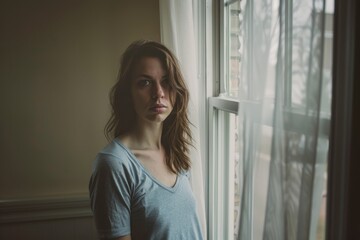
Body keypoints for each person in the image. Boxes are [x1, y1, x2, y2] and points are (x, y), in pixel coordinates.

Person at [89, 40, 203, 240]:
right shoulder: (114, 164)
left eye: (166, 81)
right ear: (128, 93)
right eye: (145, 82)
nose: (158, 93)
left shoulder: (176, 152)